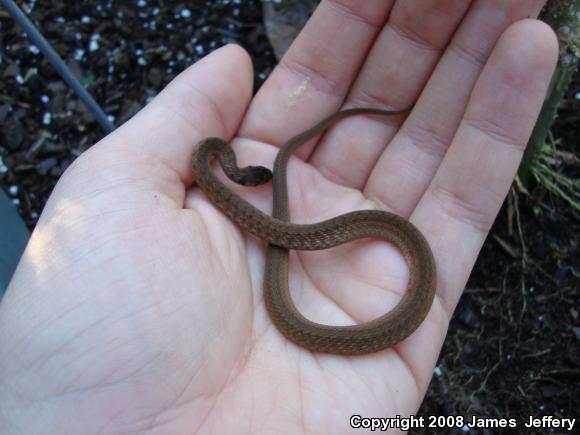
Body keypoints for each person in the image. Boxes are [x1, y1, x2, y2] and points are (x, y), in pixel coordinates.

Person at [0, 1, 557, 433]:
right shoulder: (214, 159)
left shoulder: (215, 161)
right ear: (236, 172)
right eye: (258, 180)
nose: (265, 187)